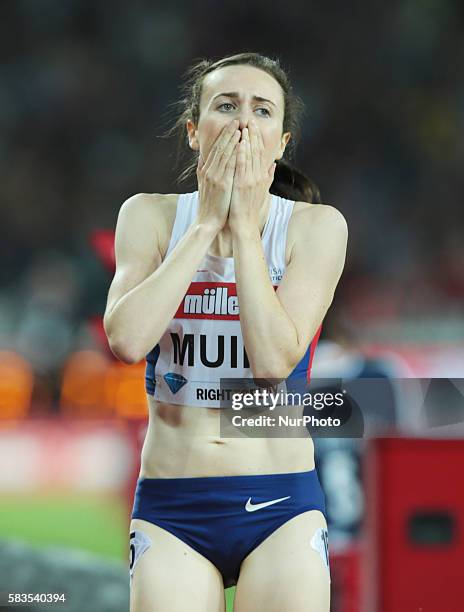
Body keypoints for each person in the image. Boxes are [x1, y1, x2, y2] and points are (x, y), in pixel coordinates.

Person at [104, 52, 348, 612]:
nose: (243, 122)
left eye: (262, 110)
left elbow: (271, 365)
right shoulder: (149, 216)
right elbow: (127, 340)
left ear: (281, 141)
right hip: (174, 507)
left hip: (280, 500)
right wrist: (207, 223)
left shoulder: (316, 227)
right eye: (226, 105)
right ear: (194, 132)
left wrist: (242, 229)